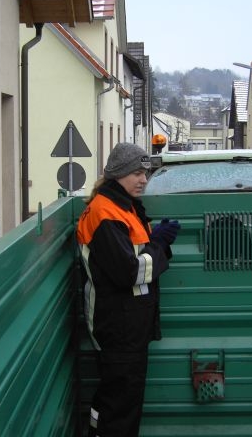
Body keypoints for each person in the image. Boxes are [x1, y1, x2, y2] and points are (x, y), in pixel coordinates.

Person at [76, 142, 180, 437]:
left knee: (119, 399)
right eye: (136, 173)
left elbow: (129, 253)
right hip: (118, 326)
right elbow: (130, 272)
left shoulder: (120, 207)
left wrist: (153, 239)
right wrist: (159, 244)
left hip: (126, 323)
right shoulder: (106, 214)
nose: (144, 180)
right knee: (120, 405)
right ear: (118, 174)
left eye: (145, 173)